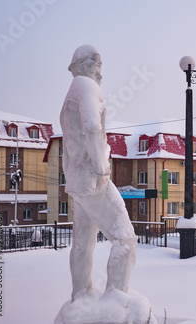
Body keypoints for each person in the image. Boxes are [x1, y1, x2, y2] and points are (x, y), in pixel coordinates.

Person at [60, 45, 137, 301]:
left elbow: (67, 148)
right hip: (93, 179)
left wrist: (72, 177)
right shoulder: (87, 87)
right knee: (125, 239)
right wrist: (101, 168)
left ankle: (80, 295)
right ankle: (116, 300)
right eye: (98, 65)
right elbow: (92, 127)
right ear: (85, 65)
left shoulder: (73, 92)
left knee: (83, 242)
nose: (100, 71)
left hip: (78, 181)